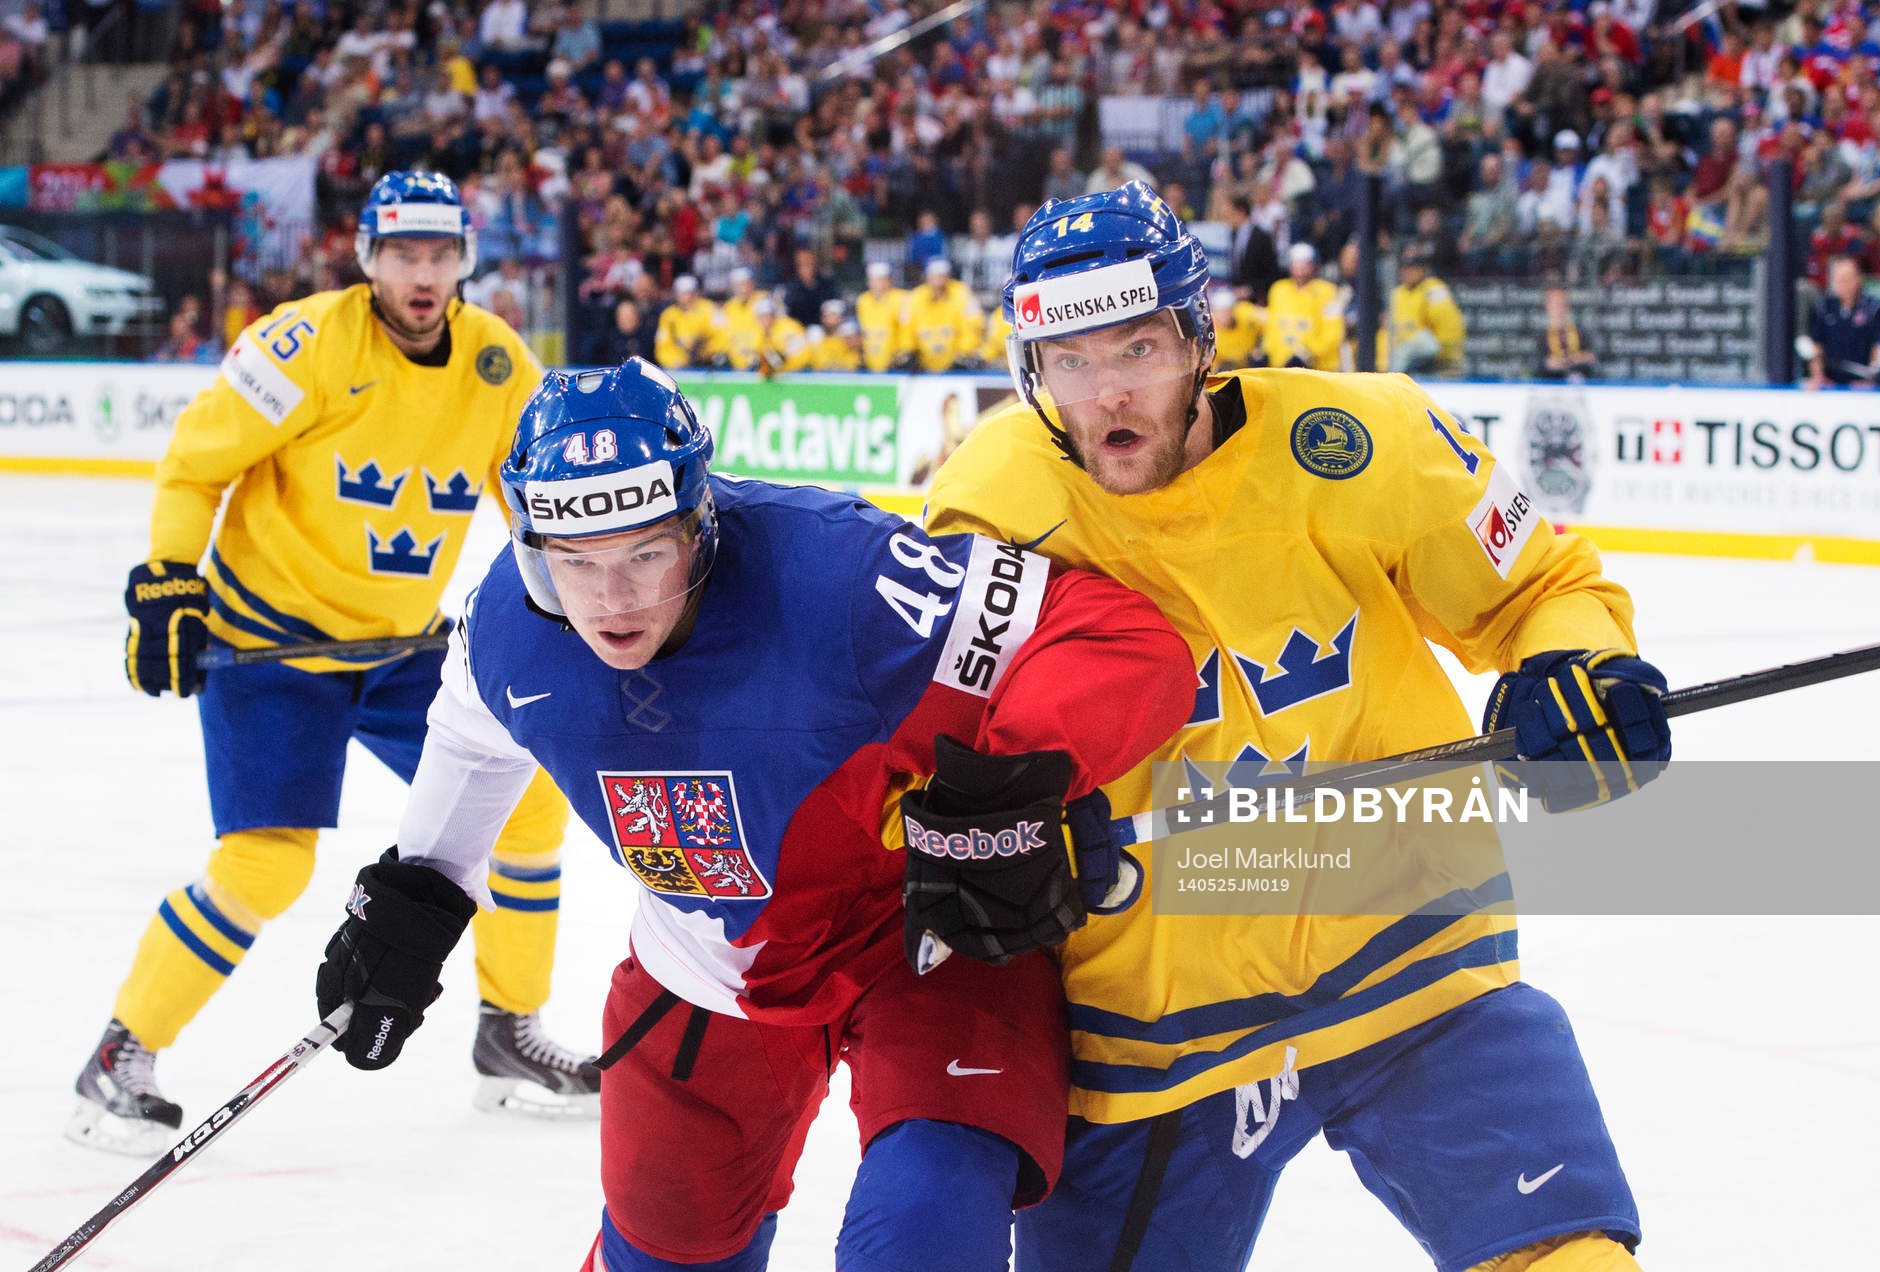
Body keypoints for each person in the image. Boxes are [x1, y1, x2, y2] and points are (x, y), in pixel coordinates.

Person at [925, 181, 1671, 1271]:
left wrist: (1581, 663)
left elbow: (1537, 584)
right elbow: (937, 741)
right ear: (1029, 369)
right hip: (1154, 1019)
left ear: (1198, 339)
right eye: (1070, 362)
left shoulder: (1358, 437)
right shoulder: (992, 502)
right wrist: (974, 834)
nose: (1105, 395)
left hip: (1409, 958)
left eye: (1136, 349)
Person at [312, 357, 1194, 1270]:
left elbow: (1118, 638)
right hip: (703, 967)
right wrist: (419, 892)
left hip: (925, 938)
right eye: (576, 564)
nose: (613, 602)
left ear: (703, 527)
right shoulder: (507, 625)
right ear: (534, 551)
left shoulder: (843, 576)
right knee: (661, 1255)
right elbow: (469, 739)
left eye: (647, 555)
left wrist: (1009, 783)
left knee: (927, 1229)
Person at [78, 171, 597, 1156]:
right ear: (367, 258)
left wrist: (576, 603)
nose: (425, 272)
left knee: (527, 805)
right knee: (268, 865)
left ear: (465, 262)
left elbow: (530, 506)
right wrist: (166, 579)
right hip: (272, 642)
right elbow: (196, 463)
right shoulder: (303, 342)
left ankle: (505, 1032)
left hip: (403, 648)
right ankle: (120, 1053)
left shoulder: (497, 363)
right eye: (405, 252)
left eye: (443, 253)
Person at [1804, 256, 1880, 389]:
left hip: (1862, 382)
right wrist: (1818, 376)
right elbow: (1816, 345)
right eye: (1838, 279)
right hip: (1830, 381)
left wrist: (1871, 379)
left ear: (1858, 278)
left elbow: (1878, 347)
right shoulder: (1824, 307)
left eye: (1847, 278)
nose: (1843, 283)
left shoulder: (1873, 308)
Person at [1383, 243, 1466, 374]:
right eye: (1405, 266)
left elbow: (1450, 332)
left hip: (1434, 362)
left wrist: (1443, 358)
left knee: (1424, 340)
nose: (1409, 270)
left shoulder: (1434, 289)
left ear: (1424, 268)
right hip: (1401, 359)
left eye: (1415, 265)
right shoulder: (1397, 294)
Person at [1263, 242, 1344, 370]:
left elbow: (1333, 332)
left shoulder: (1328, 292)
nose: (1300, 268)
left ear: (1313, 265)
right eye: (1296, 263)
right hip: (1281, 366)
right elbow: (1272, 326)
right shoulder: (1279, 290)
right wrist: (1267, 352)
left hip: (1317, 368)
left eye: (1305, 263)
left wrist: (1309, 352)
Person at [900, 258, 985, 372]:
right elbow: (906, 326)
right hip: (922, 364)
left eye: (942, 276)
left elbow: (972, 326)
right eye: (935, 276)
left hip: (955, 363)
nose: (939, 281)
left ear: (948, 277)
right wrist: (909, 351)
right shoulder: (916, 297)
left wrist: (964, 352)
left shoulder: (962, 293)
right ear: (928, 277)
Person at [653, 275, 718, 371]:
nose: (687, 297)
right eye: (683, 293)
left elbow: (721, 336)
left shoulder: (709, 309)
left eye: (690, 293)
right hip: (678, 368)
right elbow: (662, 346)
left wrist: (707, 352)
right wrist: (673, 361)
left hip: (707, 365)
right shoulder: (669, 315)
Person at [1536, 284, 1600, 382]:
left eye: (1563, 303)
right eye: (1556, 304)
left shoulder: (1580, 332)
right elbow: (1540, 364)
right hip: (1549, 389)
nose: (1560, 308)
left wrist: (1568, 361)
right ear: (1547, 306)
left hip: (1581, 387)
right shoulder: (1541, 336)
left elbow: (1591, 358)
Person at [856, 260, 909, 372]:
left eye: (883, 279)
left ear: (889, 280)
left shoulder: (901, 298)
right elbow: (863, 330)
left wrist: (903, 352)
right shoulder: (863, 300)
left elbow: (906, 329)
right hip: (871, 359)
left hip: (894, 362)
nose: (880, 283)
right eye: (875, 279)